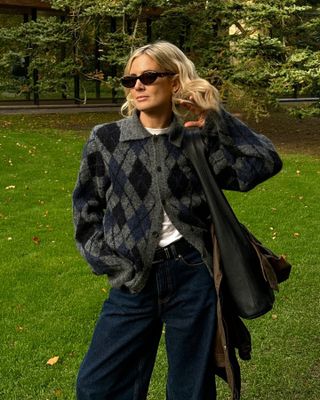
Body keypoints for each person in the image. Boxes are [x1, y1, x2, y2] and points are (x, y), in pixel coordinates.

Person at [73, 41, 282, 400]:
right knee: (98, 387)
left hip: (192, 276)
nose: (137, 85)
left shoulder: (196, 139)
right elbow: (86, 213)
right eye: (130, 79)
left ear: (175, 81)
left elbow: (262, 164)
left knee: (191, 389)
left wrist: (217, 115)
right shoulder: (106, 140)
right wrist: (113, 264)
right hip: (133, 280)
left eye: (149, 76)